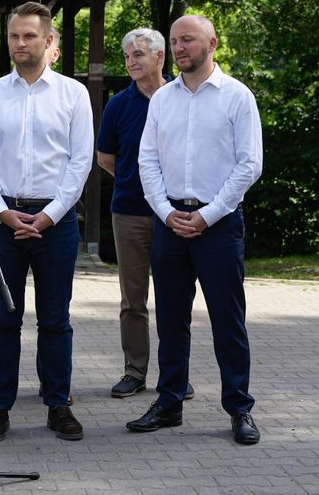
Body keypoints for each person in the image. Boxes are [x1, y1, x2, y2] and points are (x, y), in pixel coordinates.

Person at [126, 14, 263, 445]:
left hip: (218, 224)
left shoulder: (237, 97)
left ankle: (239, 408)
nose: (181, 47)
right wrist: (165, 212)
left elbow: (249, 165)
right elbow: (146, 160)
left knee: (228, 319)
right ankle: (169, 403)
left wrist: (209, 214)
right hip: (169, 221)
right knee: (170, 317)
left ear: (212, 43)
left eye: (189, 40)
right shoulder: (163, 99)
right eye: (175, 41)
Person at [0, 1, 93, 444]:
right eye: (14, 37)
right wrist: (1, 211)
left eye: (29, 36)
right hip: (3, 220)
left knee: (55, 319)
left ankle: (57, 404)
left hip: (55, 222)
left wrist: (48, 216)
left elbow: (80, 163)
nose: (20, 44)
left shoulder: (73, 94)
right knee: (3, 318)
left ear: (49, 40)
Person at [97, 28, 193, 401]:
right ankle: (135, 371)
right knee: (133, 299)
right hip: (131, 212)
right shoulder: (119, 104)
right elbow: (105, 157)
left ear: (159, 58)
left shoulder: (182, 98)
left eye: (138, 54)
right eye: (127, 56)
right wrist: (135, 179)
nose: (131, 61)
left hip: (176, 214)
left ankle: (175, 377)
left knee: (174, 297)